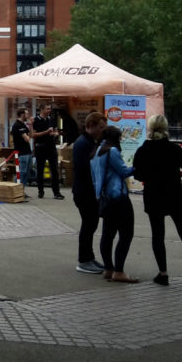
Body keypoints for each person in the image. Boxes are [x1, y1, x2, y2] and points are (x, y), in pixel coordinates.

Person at [132, 114, 182, 286]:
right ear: (166, 128)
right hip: (175, 195)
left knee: (158, 235)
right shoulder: (175, 149)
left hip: (153, 196)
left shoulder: (142, 151)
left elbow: (138, 175)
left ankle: (163, 274)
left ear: (149, 128)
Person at [91, 126, 138, 283]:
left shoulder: (97, 151)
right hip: (118, 196)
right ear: (115, 138)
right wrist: (136, 167)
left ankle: (108, 268)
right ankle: (119, 271)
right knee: (126, 233)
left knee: (107, 234)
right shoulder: (112, 151)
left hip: (104, 198)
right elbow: (124, 172)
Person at [72, 112, 107, 274]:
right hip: (84, 191)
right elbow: (87, 169)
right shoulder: (84, 143)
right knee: (88, 224)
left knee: (91, 224)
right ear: (91, 126)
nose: (102, 131)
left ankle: (88, 257)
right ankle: (84, 260)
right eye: (101, 127)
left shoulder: (87, 141)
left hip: (85, 191)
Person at [32, 103, 64, 199]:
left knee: (54, 170)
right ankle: (40, 191)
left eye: (50, 109)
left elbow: (56, 131)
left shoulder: (52, 120)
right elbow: (34, 135)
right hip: (40, 147)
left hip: (51, 147)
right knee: (40, 170)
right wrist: (46, 132)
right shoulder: (36, 120)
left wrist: (55, 134)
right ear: (41, 109)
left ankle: (56, 192)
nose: (49, 111)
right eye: (47, 109)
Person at [10, 107, 33, 188]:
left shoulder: (23, 124)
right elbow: (27, 139)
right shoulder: (17, 125)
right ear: (22, 114)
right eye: (27, 113)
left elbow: (31, 135)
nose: (28, 115)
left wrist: (31, 125)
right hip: (21, 152)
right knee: (21, 172)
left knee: (26, 173)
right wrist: (28, 137)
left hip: (28, 151)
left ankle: (22, 190)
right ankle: (15, 189)